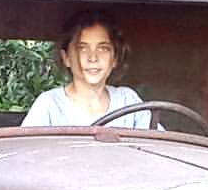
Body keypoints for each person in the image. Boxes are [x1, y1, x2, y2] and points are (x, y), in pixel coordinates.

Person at [21, 10, 153, 128]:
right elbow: (27, 146)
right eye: (82, 49)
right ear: (66, 58)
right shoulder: (49, 105)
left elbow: (158, 142)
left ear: (115, 58)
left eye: (103, 49)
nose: (93, 58)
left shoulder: (128, 100)